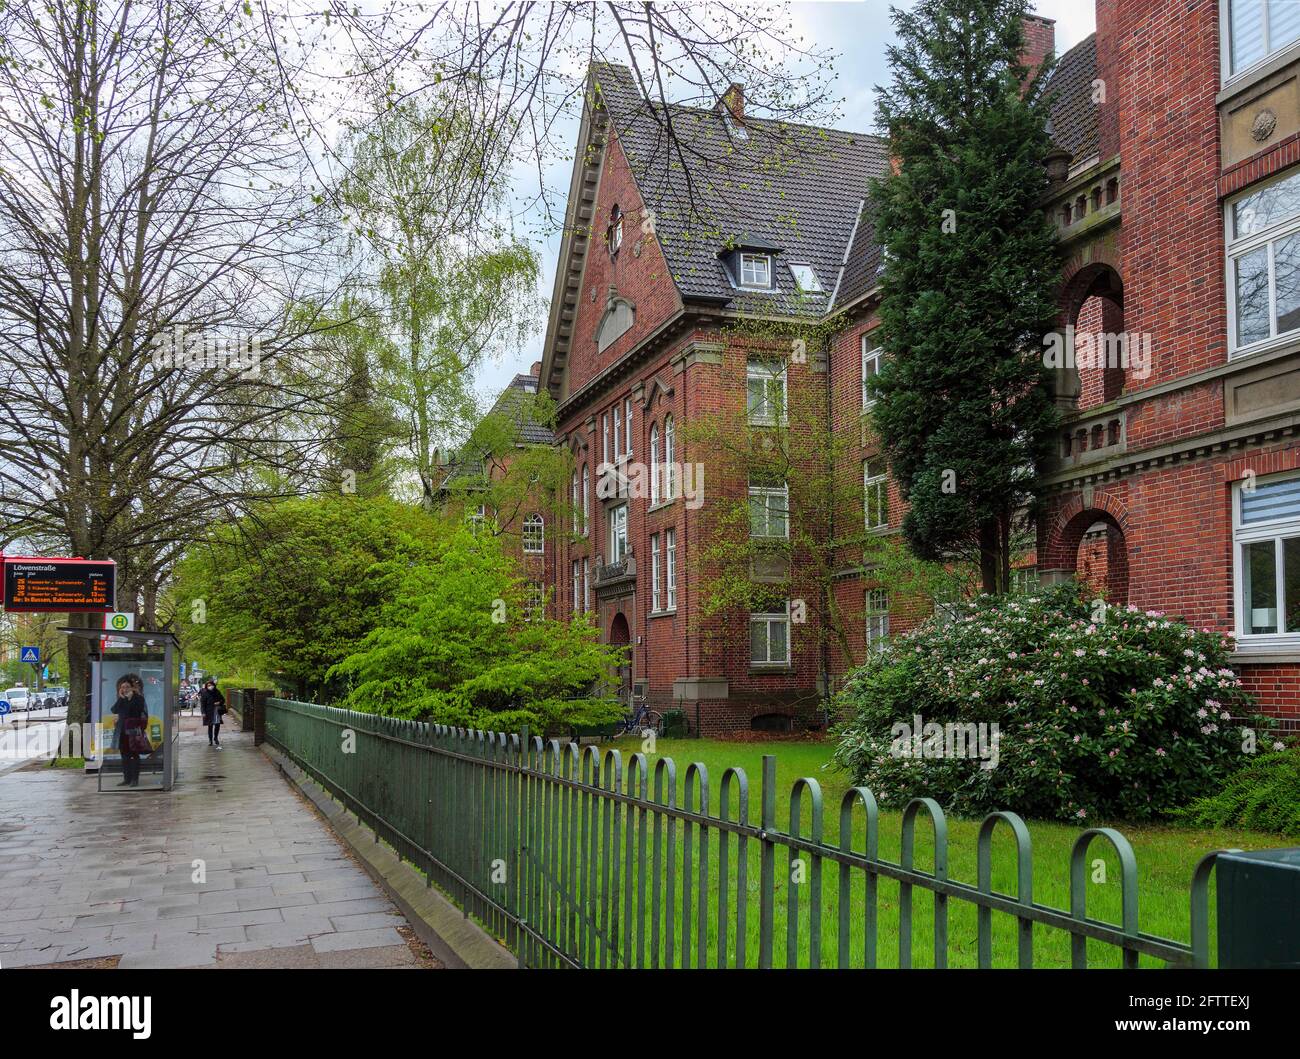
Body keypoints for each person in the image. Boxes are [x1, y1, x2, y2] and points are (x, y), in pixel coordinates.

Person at [110, 674, 149, 787]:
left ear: (132, 687)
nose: (124, 689)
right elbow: (113, 710)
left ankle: (134, 779)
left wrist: (130, 698)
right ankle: (126, 778)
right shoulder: (121, 699)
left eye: (127, 686)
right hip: (122, 730)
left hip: (133, 731)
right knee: (124, 755)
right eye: (122, 687)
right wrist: (122, 698)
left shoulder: (138, 698)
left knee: (134, 755)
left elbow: (136, 711)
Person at [199, 679, 226, 749]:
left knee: (217, 725)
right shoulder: (204, 693)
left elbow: (223, 700)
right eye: (208, 685)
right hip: (208, 712)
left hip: (216, 711)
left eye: (211, 685)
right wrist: (203, 712)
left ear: (214, 685)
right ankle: (210, 740)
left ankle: (216, 738)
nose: (210, 686)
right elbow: (202, 704)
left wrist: (219, 703)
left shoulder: (217, 692)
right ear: (206, 686)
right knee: (210, 726)